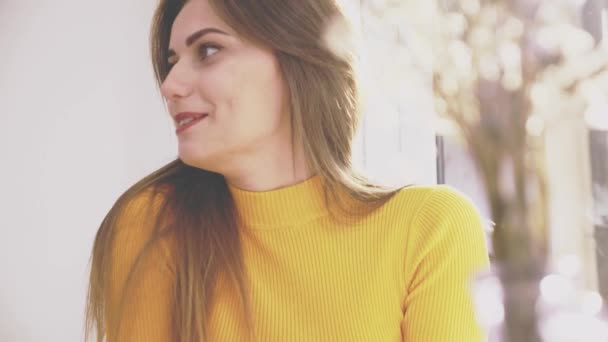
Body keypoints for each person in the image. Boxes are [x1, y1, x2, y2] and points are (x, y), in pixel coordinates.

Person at [84, 0, 490, 341]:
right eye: (172, 61)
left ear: (298, 56)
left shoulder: (431, 228)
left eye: (208, 50)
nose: (170, 84)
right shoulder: (153, 222)